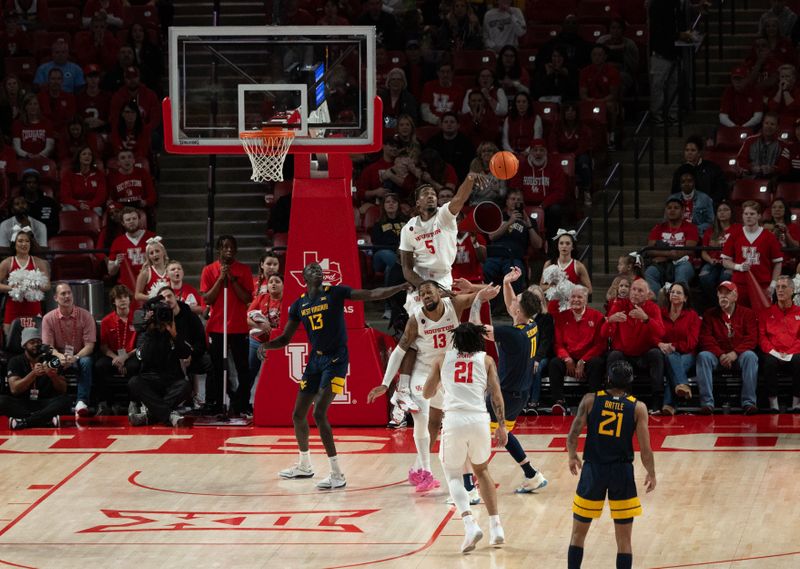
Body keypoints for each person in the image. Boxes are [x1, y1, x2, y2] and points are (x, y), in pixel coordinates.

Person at [263, 262, 407, 490]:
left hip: (336, 360)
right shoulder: (299, 304)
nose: (317, 270)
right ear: (304, 278)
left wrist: (398, 287)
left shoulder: (335, 292)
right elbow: (284, 339)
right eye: (312, 269)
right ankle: (304, 465)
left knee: (319, 412)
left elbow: (370, 294)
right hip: (315, 361)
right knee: (298, 414)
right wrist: (267, 346)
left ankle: (337, 473)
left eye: (319, 269)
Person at [368, 281, 487, 493]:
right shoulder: (416, 319)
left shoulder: (454, 305)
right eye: (422, 294)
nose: (425, 296)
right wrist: (385, 384)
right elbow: (399, 351)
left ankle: (418, 467)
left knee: (436, 422)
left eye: (429, 292)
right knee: (421, 418)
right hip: (423, 372)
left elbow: (480, 297)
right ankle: (426, 472)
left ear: (439, 293)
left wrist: (483, 287)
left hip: (447, 371)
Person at [423, 322, 507, 553]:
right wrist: (502, 426)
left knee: (452, 473)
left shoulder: (442, 359)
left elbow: (427, 393)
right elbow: (496, 396)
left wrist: (440, 381)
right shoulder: (487, 360)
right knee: (482, 471)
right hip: (479, 419)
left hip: (455, 419)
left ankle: (470, 524)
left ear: (456, 341)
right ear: (478, 340)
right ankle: (496, 526)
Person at [566, 360, 656, 569]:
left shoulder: (590, 400)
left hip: (593, 470)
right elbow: (645, 449)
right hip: (621, 473)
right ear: (631, 381)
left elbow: (573, 435)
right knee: (624, 540)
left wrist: (572, 456)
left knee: (578, 535)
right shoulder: (638, 407)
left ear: (607, 379)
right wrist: (651, 473)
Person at [471, 269, 549, 493]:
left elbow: (477, 328)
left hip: (503, 395)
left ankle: (471, 487)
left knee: (479, 437)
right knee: (503, 434)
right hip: (520, 393)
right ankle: (532, 475)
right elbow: (511, 306)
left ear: (519, 309)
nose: (513, 299)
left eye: (517, 299)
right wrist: (506, 283)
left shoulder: (513, 335)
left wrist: (478, 300)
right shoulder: (531, 324)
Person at [200, 235, 254, 416]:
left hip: (238, 327)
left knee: (242, 368)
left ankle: (242, 404)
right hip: (217, 327)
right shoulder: (209, 270)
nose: (229, 250)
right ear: (219, 250)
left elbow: (247, 298)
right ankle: (216, 403)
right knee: (216, 368)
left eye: (232, 247)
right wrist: (220, 279)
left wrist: (232, 279)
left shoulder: (243, 270)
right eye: (225, 247)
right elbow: (207, 298)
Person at [128, 296, 193, 427]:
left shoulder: (175, 330)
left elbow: (185, 353)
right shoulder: (146, 333)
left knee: (185, 386)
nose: (163, 318)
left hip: (171, 380)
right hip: (150, 380)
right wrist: (151, 330)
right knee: (133, 382)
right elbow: (144, 356)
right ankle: (169, 415)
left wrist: (174, 335)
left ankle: (150, 416)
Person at [603, 278, 666, 412]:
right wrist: (610, 320)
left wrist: (646, 319)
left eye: (640, 291)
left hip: (644, 355)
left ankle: (657, 400)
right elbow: (604, 334)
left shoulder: (653, 308)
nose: (635, 293)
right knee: (614, 355)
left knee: (656, 354)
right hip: (624, 355)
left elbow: (661, 332)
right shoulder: (620, 305)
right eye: (634, 290)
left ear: (648, 295)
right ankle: (613, 399)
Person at [697, 281, 759, 414]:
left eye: (728, 293)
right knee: (703, 356)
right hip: (717, 357)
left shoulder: (747, 313)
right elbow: (705, 339)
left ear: (735, 296)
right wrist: (720, 354)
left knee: (751, 356)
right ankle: (707, 403)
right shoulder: (709, 314)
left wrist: (734, 353)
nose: (723, 296)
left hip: (739, 356)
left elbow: (752, 338)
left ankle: (749, 403)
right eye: (721, 293)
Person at [41, 282, 96, 417]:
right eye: (63, 294)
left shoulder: (86, 315)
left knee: (86, 362)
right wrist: (60, 356)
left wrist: (75, 357)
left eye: (69, 293)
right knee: (48, 364)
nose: (67, 296)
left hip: (79, 355)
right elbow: (48, 347)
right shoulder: (48, 318)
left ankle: (82, 402)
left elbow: (90, 346)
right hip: (58, 356)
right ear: (55, 298)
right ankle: (53, 403)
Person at [549, 286, 606, 414]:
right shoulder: (562, 317)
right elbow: (558, 344)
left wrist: (583, 361)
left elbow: (599, 345)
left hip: (588, 358)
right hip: (569, 358)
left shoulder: (597, 316)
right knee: (554, 363)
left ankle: (593, 402)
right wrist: (566, 358)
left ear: (586, 300)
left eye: (579, 297)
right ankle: (559, 402)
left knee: (597, 363)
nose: (576, 299)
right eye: (573, 297)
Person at [0, 327, 71, 429]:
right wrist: (33, 374)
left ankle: (25, 422)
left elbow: (63, 389)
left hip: (45, 402)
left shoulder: (52, 360)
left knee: (66, 401)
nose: (36, 345)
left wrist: (53, 376)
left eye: (38, 342)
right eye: (32, 342)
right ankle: (43, 419)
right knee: (1, 401)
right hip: (23, 403)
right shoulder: (15, 361)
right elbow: (15, 389)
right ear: (24, 345)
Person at [157, 286, 213, 413]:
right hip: (171, 361)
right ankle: (166, 403)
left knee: (212, 362)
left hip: (192, 356)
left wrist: (191, 355)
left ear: (176, 297)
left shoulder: (190, 316)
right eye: (163, 299)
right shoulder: (160, 319)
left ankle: (210, 402)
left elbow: (201, 342)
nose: (167, 300)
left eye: (169, 296)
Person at [721, 200, 783, 308]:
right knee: (740, 318)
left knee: (762, 318)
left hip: (762, 284)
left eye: (752, 214)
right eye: (746, 214)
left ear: (759, 216)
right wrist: (738, 266)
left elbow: (778, 263)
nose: (748, 217)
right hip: (740, 284)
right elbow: (725, 261)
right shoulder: (735, 235)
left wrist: (773, 285)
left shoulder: (769, 237)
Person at [483, 188, 543, 296]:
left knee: (516, 274)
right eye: (513, 199)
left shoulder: (529, 220)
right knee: (486, 269)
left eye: (519, 200)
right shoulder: (499, 216)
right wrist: (510, 221)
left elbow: (538, 245)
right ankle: (490, 305)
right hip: (495, 256)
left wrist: (528, 224)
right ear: (507, 201)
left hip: (514, 257)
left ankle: (514, 306)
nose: (516, 201)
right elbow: (492, 236)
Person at [94, 285, 139, 415]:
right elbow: (103, 346)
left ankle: (133, 403)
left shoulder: (138, 318)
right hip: (113, 355)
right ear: (114, 301)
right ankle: (106, 403)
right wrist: (116, 358)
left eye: (125, 297)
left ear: (130, 299)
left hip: (132, 354)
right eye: (119, 298)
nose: (123, 300)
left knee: (135, 366)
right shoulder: (106, 321)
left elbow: (141, 345)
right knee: (99, 366)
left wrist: (125, 357)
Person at [509, 138, 567, 239]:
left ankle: (552, 242)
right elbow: (515, 187)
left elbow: (559, 192)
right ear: (530, 152)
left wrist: (543, 205)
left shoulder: (555, 167)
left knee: (556, 210)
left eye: (541, 150)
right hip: (525, 204)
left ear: (546, 152)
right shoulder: (522, 166)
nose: (538, 153)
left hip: (546, 205)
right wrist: (521, 202)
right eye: (535, 150)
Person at [758, 275, 800, 412]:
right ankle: (773, 404)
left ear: (792, 291)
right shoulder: (766, 313)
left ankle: (796, 403)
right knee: (769, 362)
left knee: (799, 360)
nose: (780, 290)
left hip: (793, 352)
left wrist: (789, 353)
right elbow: (762, 337)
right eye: (777, 287)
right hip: (773, 352)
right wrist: (775, 352)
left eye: (784, 287)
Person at [658, 282, 701, 416]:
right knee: (671, 358)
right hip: (664, 353)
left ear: (685, 298)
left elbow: (692, 343)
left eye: (678, 292)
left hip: (687, 354)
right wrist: (662, 345)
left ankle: (669, 404)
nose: (674, 295)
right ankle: (682, 385)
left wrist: (674, 346)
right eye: (672, 292)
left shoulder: (692, 315)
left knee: (674, 360)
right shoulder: (661, 313)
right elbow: (654, 334)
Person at [644, 198, 699, 296]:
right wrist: (669, 254)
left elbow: (689, 250)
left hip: (683, 262)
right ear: (665, 211)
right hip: (662, 264)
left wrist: (664, 255)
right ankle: (660, 304)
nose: (672, 210)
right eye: (669, 208)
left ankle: (679, 305)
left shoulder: (691, 228)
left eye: (676, 208)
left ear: (682, 211)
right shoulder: (658, 228)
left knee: (682, 274)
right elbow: (649, 250)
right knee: (649, 273)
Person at [0, 228, 49, 336]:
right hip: (13, 308)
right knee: (11, 343)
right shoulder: (7, 262)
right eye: (20, 241)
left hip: (33, 308)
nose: (24, 244)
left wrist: (34, 285)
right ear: (14, 244)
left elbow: (47, 286)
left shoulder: (39, 262)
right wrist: (12, 288)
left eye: (27, 241)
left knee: (35, 342)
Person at [246, 273, 283, 407]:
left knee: (274, 376)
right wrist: (260, 325)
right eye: (271, 281)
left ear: (284, 285)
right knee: (250, 373)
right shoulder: (261, 297)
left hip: (277, 343)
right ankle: (243, 403)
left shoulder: (288, 300)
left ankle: (274, 404)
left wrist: (275, 330)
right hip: (256, 341)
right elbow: (247, 318)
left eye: (277, 281)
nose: (273, 284)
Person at [107, 207, 156, 293]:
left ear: (139, 219)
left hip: (150, 285)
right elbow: (111, 271)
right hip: (128, 289)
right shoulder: (118, 242)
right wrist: (116, 263)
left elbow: (163, 262)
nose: (131, 221)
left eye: (134, 218)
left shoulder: (152, 238)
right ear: (123, 223)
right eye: (128, 219)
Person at [699, 200, 738, 303]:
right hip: (713, 262)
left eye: (726, 210)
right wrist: (710, 260)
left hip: (730, 262)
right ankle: (716, 303)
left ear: (731, 212)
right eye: (719, 210)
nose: (722, 212)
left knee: (725, 278)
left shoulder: (737, 229)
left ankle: (725, 303)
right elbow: (704, 252)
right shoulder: (710, 231)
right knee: (704, 277)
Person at [541, 229, 593, 297]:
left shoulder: (578, 266)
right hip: (552, 303)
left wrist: (572, 288)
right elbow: (541, 287)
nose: (564, 246)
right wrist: (554, 287)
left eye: (568, 243)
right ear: (557, 246)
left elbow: (589, 290)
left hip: (571, 303)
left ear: (572, 247)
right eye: (561, 243)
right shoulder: (549, 264)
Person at [736, 112, 787, 179]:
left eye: (772, 124)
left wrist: (773, 169)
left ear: (777, 127)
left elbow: (784, 166)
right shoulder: (749, 141)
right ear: (762, 124)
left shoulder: (783, 145)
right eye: (766, 123)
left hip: (773, 181)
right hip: (751, 179)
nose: (769, 126)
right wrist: (751, 168)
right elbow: (740, 161)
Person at [61, 146, 107, 216]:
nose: (87, 156)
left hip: (92, 205)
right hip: (74, 205)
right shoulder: (69, 175)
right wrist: (79, 204)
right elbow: (65, 196)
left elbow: (101, 197)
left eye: (90, 154)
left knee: (98, 210)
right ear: (79, 157)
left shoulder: (99, 175)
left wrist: (89, 205)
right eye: (84, 154)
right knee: (68, 209)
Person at [420, 61, 465, 126]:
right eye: (442, 72)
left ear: (452, 73)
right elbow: (424, 111)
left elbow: (460, 112)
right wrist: (438, 121)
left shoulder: (459, 89)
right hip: (431, 125)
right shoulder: (428, 87)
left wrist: (449, 123)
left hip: (451, 125)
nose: (445, 75)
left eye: (448, 72)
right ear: (437, 73)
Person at [19, 168, 59, 237]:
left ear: (38, 184)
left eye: (35, 182)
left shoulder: (49, 202)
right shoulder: (17, 203)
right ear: (23, 184)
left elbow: (55, 225)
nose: (32, 185)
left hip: (47, 238)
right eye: (28, 182)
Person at [134, 236, 169, 302]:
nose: (155, 255)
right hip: (154, 309)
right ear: (148, 257)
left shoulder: (171, 269)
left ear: (163, 252)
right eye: (151, 253)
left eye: (157, 251)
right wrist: (154, 297)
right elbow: (137, 295)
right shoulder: (146, 272)